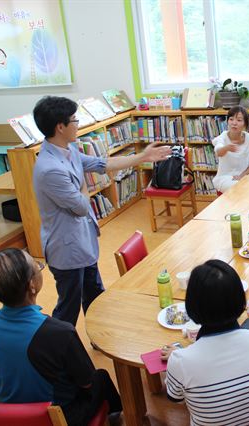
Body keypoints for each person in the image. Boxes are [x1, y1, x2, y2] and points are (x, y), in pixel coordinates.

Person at [32, 96, 171, 326]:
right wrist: (84, 186)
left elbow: (102, 164)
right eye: (74, 120)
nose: (78, 124)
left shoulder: (68, 149)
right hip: (66, 249)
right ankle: (57, 349)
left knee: (95, 293)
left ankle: (101, 335)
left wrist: (143, 157)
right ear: (60, 126)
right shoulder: (50, 169)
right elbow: (81, 206)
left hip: (82, 240)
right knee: (68, 305)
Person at [0, 248, 122, 426]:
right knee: (101, 378)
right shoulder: (60, 332)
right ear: (32, 285)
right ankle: (116, 417)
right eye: (37, 267)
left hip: (10, 417)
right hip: (57, 418)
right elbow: (86, 383)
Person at [162, 260, 249, 425]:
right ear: (239, 299)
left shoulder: (181, 361)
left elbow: (176, 399)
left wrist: (179, 357)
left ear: (193, 305)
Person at [212, 106, 249, 193]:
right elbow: (218, 152)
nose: (234, 123)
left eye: (239, 120)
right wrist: (226, 148)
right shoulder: (222, 137)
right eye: (231, 119)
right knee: (237, 188)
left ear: (245, 124)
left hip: (245, 176)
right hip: (224, 178)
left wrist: (241, 176)